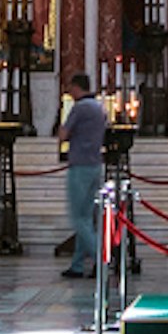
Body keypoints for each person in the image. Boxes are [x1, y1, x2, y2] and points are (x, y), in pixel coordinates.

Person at [59, 71, 110, 281]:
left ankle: (102, 260)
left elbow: (64, 134)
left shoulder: (80, 108)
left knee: (79, 218)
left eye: (71, 87)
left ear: (77, 87)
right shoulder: (99, 108)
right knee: (87, 217)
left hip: (80, 165)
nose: (69, 91)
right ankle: (78, 264)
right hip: (96, 164)